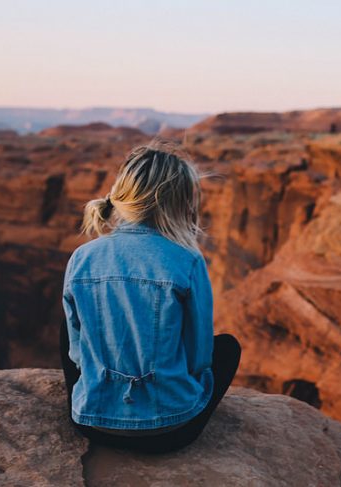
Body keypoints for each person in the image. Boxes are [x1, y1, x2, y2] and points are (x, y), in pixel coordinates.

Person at [59, 142, 241, 454]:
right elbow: (200, 358)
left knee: (68, 327)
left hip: (91, 424)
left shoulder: (82, 258)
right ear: (178, 202)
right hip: (171, 430)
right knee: (228, 347)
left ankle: (97, 399)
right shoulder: (187, 260)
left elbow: (76, 354)